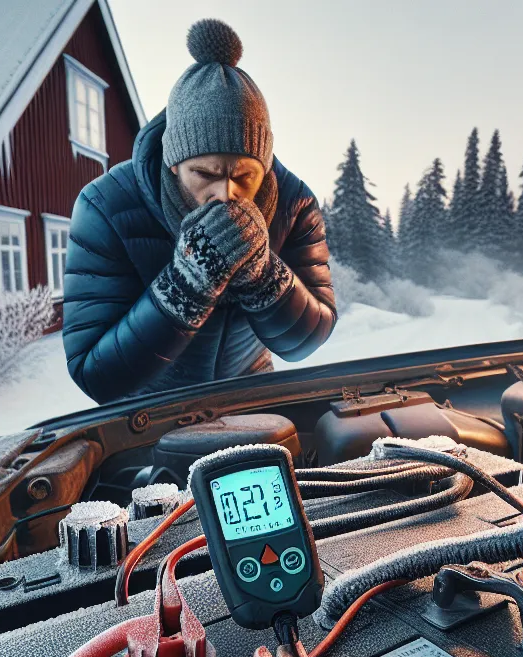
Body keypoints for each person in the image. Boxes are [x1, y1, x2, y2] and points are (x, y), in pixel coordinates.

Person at [62, 19, 336, 403]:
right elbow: (94, 373)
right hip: (149, 413)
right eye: (204, 173)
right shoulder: (105, 207)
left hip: (251, 397)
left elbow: (308, 339)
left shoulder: (294, 203)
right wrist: (185, 285)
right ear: (173, 162)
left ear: (266, 165)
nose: (226, 193)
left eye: (245, 175)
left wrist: (264, 275)